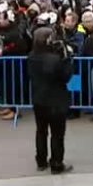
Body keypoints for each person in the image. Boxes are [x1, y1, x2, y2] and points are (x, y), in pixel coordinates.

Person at [27, 27, 73, 174]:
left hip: (39, 99)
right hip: (55, 99)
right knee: (57, 134)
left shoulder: (31, 56)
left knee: (41, 131)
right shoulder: (54, 59)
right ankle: (56, 163)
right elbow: (65, 77)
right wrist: (67, 59)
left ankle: (41, 161)